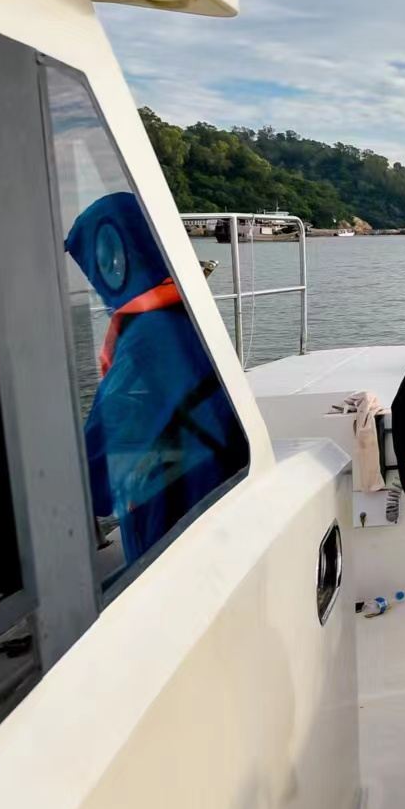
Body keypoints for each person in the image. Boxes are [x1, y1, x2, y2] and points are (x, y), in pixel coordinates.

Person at [64, 191, 245, 566]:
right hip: (221, 508)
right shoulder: (189, 314)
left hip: (174, 532)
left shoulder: (143, 339)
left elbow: (93, 482)